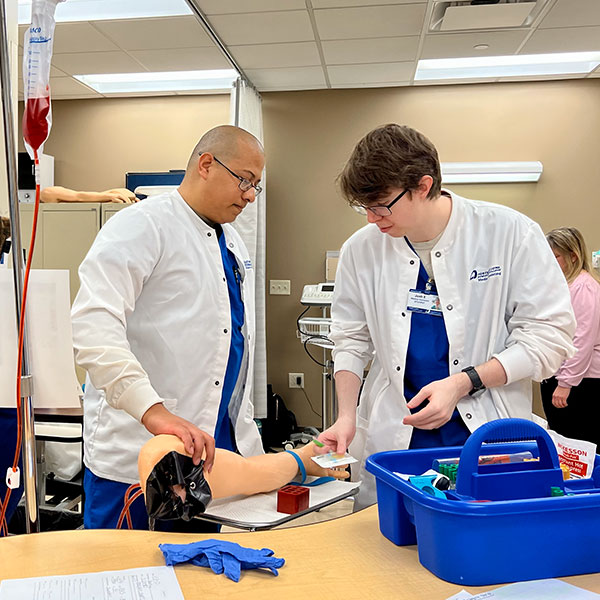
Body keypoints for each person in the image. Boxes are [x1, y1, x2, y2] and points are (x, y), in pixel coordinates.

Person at [318, 124, 576, 509]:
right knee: (389, 548)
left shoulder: (510, 233)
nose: (372, 219)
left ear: (423, 186)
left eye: (381, 205)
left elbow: (549, 337)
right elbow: (351, 338)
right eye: (364, 207)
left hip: (488, 432)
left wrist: (463, 383)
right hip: (397, 436)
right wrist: (345, 415)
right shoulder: (361, 250)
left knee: (480, 548)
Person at [71, 125, 265, 530]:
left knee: (197, 578)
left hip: (207, 455)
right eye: (245, 180)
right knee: (120, 581)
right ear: (206, 165)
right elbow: (94, 324)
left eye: (256, 186)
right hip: (136, 455)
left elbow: (229, 342)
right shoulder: (141, 226)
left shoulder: (232, 243)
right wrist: (153, 410)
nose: (250, 195)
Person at [138, 435, 349, 524]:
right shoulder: (170, 461)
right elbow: (162, 457)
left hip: (217, 451)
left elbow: (250, 473)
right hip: (130, 478)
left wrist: (302, 459)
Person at [542, 227, 600, 446]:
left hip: (580, 383)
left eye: (555, 256)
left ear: (573, 256)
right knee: (561, 442)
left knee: (580, 445)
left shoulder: (584, 288)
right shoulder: (563, 285)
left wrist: (566, 383)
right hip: (558, 376)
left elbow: (582, 341)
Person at [41, 186, 138, 204]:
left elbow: (79, 196)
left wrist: (110, 196)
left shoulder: (46, 192)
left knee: (124, 193)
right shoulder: (46, 193)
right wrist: (109, 196)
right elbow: (79, 197)